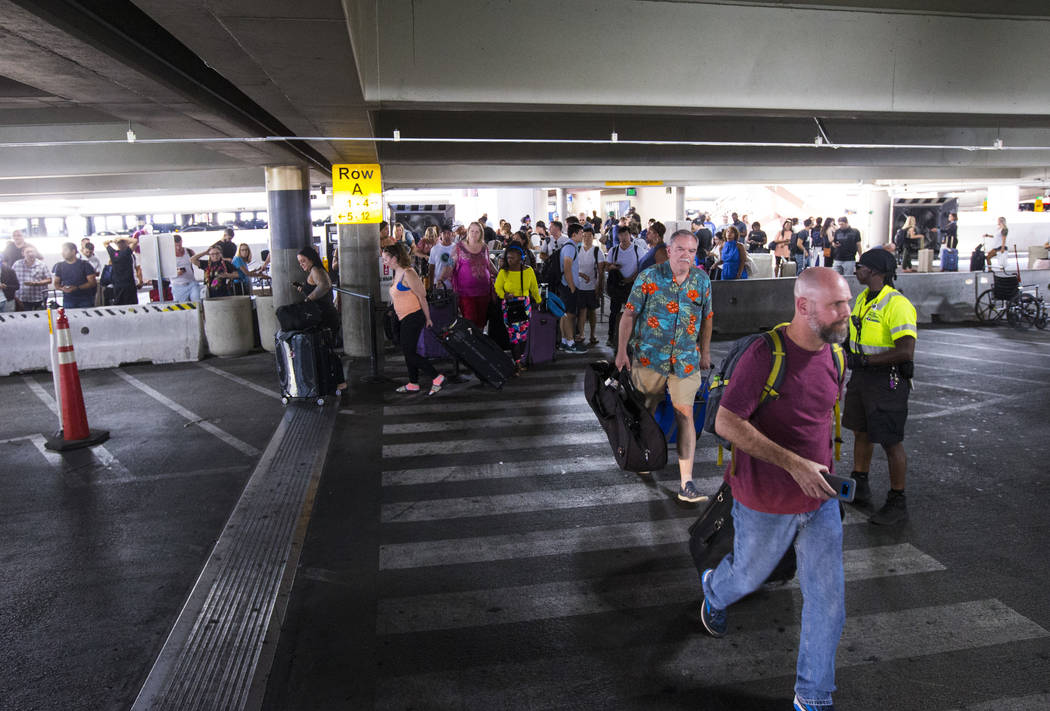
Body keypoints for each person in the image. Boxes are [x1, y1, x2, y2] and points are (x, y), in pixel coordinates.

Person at [699, 267, 852, 711]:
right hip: (765, 499)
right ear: (804, 307)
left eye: (846, 301)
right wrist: (792, 464)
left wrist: (820, 472)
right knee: (747, 576)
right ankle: (713, 589)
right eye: (836, 305)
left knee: (828, 601)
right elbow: (727, 422)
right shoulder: (766, 355)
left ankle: (813, 696)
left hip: (819, 499)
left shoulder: (836, 354)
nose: (846, 312)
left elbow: (819, 419)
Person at [615, 230, 713, 502]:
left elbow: (707, 319)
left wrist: (704, 352)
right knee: (646, 410)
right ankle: (642, 455)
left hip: (685, 361)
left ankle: (686, 483)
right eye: (681, 249)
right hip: (649, 359)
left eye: (692, 251)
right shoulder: (649, 278)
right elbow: (629, 314)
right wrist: (622, 351)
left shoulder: (702, 281)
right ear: (669, 250)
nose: (686, 255)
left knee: (686, 415)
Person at [843, 248, 917, 526]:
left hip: (887, 380)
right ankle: (860, 484)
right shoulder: (863, 298)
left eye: (860, 266)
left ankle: (898, 501)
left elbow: (906, 350)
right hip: (863, 376)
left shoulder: (897, 304)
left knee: (890, 441)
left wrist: (865, 359)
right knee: (861, 431)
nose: (856, 270)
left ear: (875, 271)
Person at [382, 243, 445, 396]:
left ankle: (436, 377)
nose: (384, 262)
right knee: (408, 351)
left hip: (414, 316)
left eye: (386, 259)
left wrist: (428, 318)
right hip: (403, 317)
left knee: (409, 353)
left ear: (395, 258)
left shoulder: (408, 273)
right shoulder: (396, 272)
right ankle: (413, 383)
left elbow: (422, 296)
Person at [291, 245, 348, 396]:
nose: (301, 264)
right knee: (326, 349)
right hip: (326, 315)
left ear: (311, 259)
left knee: (327, 350)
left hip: (326, 316)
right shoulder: (314, 270)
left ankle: (339, 382)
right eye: (300, 261)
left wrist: (308, 299)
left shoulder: (316, 270)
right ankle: (335, 381)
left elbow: (325, 285)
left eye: (303, 261)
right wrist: (304, 289)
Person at [494, 244, 542, 369]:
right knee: (514, 336)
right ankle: (517, 362)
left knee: (524, 335)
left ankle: (520, 358)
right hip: (509, 306)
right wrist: (504, 295)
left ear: (521, 258)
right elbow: (497, 287)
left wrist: (538, 300)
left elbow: (534, 288)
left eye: (513, 258)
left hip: (524, 306)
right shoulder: (503, 272)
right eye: (508, 258)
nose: (510, 260)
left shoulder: (529, 271)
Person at [450, 221, 497, 328]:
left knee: (481, 322)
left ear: (481, 233)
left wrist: (499, 273)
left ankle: (479, 343)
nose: (474, 234)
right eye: (472, 231)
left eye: (477, 231)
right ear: (468, 232)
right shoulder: (459, 246)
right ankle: (472, 343)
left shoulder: (484, 247)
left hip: (484, 291)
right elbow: (450, 262)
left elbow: (488, 263)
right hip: (466, 293)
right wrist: (444, 274)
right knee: (469, 321)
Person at [604, 225, 642, 348]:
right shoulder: (613, 250)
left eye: (626, 235)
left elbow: (641, 268)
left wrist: (630, 279)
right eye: (621, 235)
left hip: (631, 286)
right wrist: (613, 267)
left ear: (630, 235)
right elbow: (607, 266)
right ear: (618, 236)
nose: (623, 238)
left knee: (632, 312)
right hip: (617, 287)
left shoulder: (638, 250)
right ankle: (611, 337)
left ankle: (632, 338)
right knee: (614, 312)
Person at [557, 223, 588, 353]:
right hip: (568, 287)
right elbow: (567, 267)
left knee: (564, 315)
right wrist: (572, 287)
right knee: (570, 315)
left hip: (565, 286)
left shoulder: (570, 246)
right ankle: (571, 343)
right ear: (574, 234)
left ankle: (564, 342)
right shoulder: (570, 247)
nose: (583, 235)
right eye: (581, 233)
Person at [575, 225, 605, 345]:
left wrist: (599, 286)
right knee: (582, 311)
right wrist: (581, 275)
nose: (587, 238)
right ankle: (581, 334)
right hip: (580, 286)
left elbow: (601, 271)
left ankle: (592, 335)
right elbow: (573, 267)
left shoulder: (597, 251)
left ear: (593, 237)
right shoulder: (577, 250)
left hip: (592, 286)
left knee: (592, 311)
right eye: (585, 236)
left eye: (589, 236)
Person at [52, 242, 98, 309]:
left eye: (65, 250)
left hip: (85, 299)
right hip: (68, 300)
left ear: (73, 251)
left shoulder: (85, 265)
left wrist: (77, 288)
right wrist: (62, 288)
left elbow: (92, 283)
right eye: (62, 251)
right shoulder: (59, 266)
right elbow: (56, 283)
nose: (62, 253)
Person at [104, 238, 138, 305]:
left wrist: (113, 240)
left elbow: (105, 243)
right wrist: (123, 238)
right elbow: (135, 241)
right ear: (125, 244)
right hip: (128, 284)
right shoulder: (127, 252)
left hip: (117, 284)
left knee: (119, 304)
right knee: (131, 305)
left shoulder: (113, 253)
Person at [171, 235, 200, 302]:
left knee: (197, 302)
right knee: (183, 307)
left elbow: (198, 262)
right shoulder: (169, 255)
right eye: (176, 246)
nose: (178, 248)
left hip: (192, 283)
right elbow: (166, 272)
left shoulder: (189, 252)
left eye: (179, 245)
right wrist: (176, 273)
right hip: (178, 285)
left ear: (182, 242)